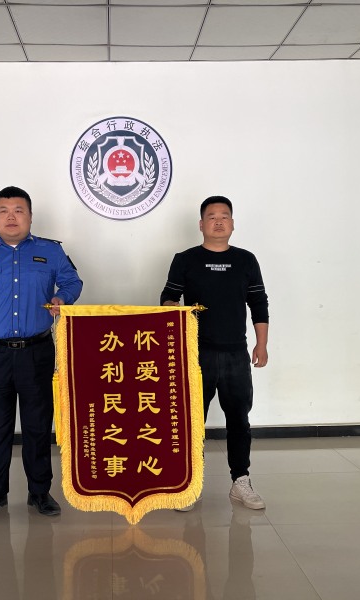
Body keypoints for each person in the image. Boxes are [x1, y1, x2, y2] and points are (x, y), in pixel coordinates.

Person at [0, 186, 83, 519]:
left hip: (37, 351)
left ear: (30, 215)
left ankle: (39, 493)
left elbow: (73, 281)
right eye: (4, 210)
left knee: (38, 426)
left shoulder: (50, 251)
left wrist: (63, 298)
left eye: (18, 210)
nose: (11, 217)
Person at [160, 196, 269, 511]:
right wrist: (172, 307)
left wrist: (261, 344)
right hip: (196, 353)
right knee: (193, 420)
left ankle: (241, 481)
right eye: (211, 216)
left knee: (239, 419)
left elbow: (259, 303)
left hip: (236, 353)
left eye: (224, 216)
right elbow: (168, 296)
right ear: (201, 224)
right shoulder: (185, 259)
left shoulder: (246, 260)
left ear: (232, 223)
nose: (218, 221)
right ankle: (191, 484)